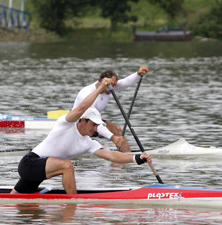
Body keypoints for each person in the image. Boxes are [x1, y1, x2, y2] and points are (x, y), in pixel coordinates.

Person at [11, 78, 152, 195]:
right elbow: (82, 107)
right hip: (30, 163)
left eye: (98, 126)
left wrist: (137, 158)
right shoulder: (66, 124)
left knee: (15, 200)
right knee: (67, 166)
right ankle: (73, 203)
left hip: (41, 171)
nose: (96, 129)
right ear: (83, 120)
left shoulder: (88, 143)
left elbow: (112, 156)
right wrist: (100, 87)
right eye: (93, 124)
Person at [72, 66, 148, 152]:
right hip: (78, 125)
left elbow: (125, 83)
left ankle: (126, 155)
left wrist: (138, 74)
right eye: (112, 85)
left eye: (115, 85)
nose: (114, 88)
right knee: (114, 130)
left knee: (117, 129)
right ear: (101, 82)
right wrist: (112, 137)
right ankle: (125, 157)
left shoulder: (108, 86)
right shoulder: (87, 94)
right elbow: (92, 121)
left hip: (93, 121)